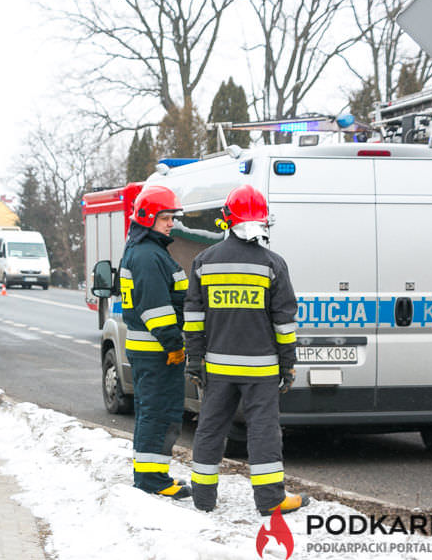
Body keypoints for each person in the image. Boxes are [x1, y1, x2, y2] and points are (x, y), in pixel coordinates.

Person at [184, 184, 309, 516]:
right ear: (264, 222)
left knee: (210, 429)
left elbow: (194, 318)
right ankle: (270, 500)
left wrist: (194, 360)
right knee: (264, 432)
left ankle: (203, 498)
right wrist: (288, 365)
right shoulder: (273, 264)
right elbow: (284, 323)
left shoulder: (203, 262)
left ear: (226, 220)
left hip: (218, 369)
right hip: (261, 369)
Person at [120, 185, 191, 500]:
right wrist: (174, 344)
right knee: (158, 414)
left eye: (171, 217)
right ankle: (151, 480)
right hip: (157, 352)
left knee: (156, 413)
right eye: (166, 217)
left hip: (150, 351)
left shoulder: (145, 250)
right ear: (148, 217)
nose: (170, 223)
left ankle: (154, 475)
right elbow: (156, 310)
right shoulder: (149, 255)